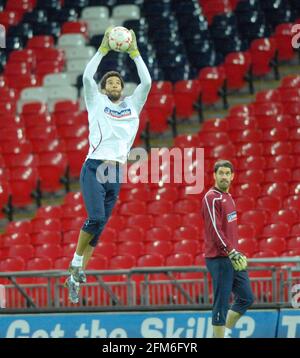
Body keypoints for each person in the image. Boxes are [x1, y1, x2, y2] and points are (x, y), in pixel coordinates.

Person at [65, 27, 152, 303]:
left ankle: (75, 276)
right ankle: (75, 263)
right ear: (104, 89)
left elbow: (147, 83)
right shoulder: (96, 102)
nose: (115, 86)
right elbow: (87, 76)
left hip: (116, 172)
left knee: (98, 231)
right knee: (96, 218)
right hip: (94, 167)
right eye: (110, 83)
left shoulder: (132, 106)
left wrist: (135, 53)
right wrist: (103, 49)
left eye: (118, 83)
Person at [202, 159, 254, 338]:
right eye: (220, 173)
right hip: (219, 258)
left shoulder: (229, 198)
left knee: (246, 298)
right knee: (222, 303)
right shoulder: (211, 197)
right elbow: (215, 230)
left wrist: (235, 252)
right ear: (215, 175)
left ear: (232, 176)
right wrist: (231, 251)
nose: (224, 176)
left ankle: (225, 334)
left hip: (232, 256)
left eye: (227, 173)